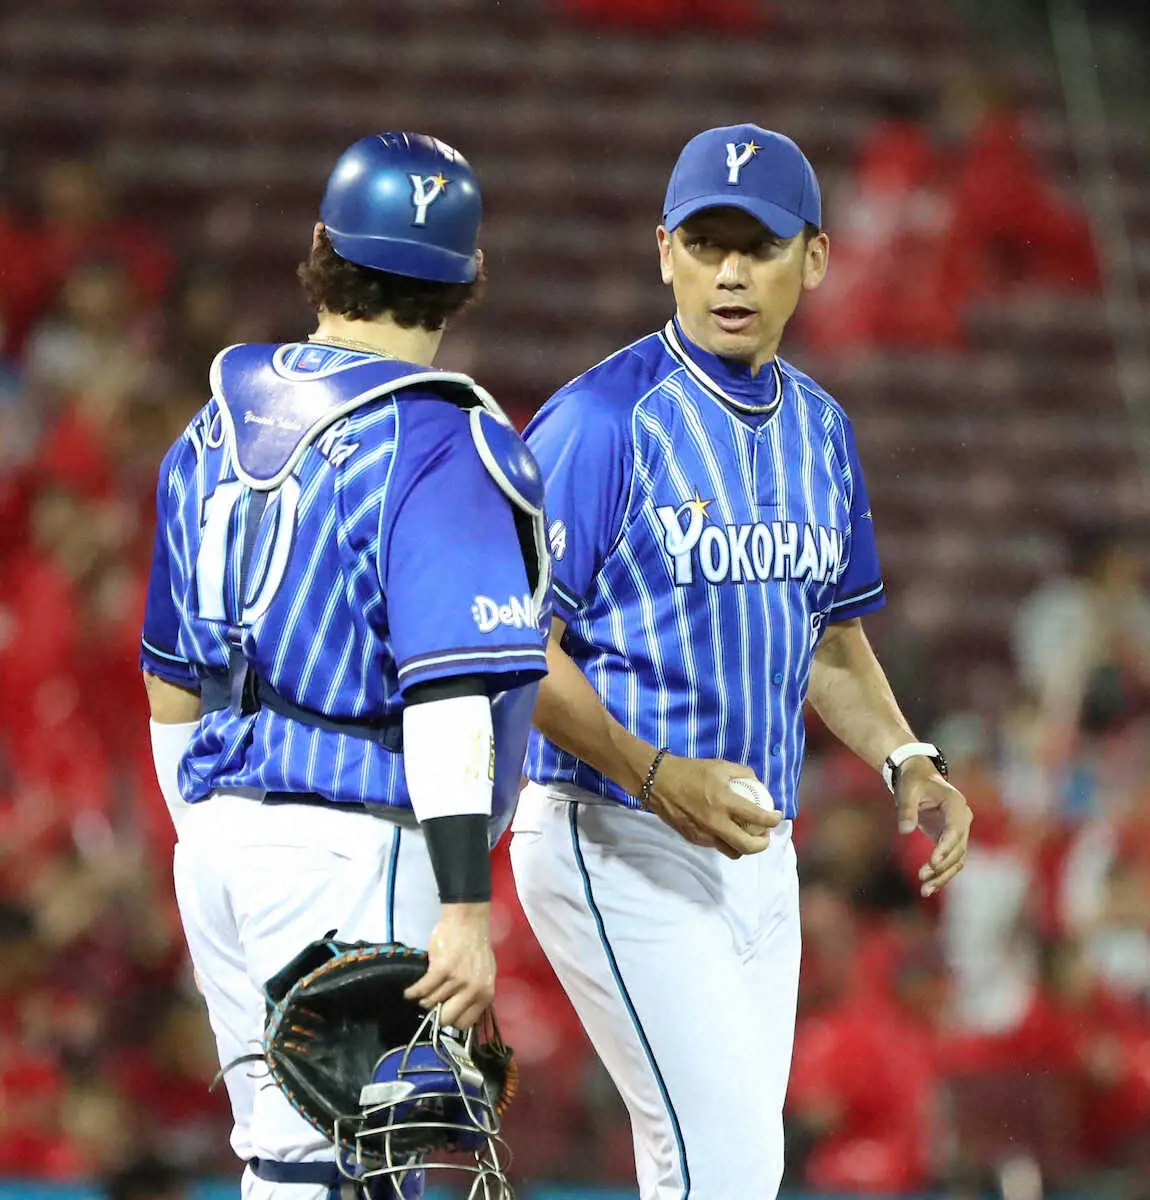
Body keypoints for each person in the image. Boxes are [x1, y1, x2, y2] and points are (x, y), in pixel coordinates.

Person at [510, 124, 973, 1199]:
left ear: (814, 259)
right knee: (723, 1167)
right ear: (663, 251)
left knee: (726, 1175)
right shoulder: (599, 423)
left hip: (761, 850)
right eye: (705, 243)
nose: (729, 271)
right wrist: (651, 773)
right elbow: (512, 646)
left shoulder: (822, 429)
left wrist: (907, 757)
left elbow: (830, 638)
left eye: (758, 246)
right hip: (610, 830)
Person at [139, 132, 550, 1200]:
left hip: (221, 836)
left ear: (322, 247)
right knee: (355, 1167)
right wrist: (466, 907)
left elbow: (170, 679)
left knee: (282, 1157)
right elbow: (448, 693)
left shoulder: (212, 427)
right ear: (466, 275)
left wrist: (210, 830)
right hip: (354, 840)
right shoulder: (436, 441)